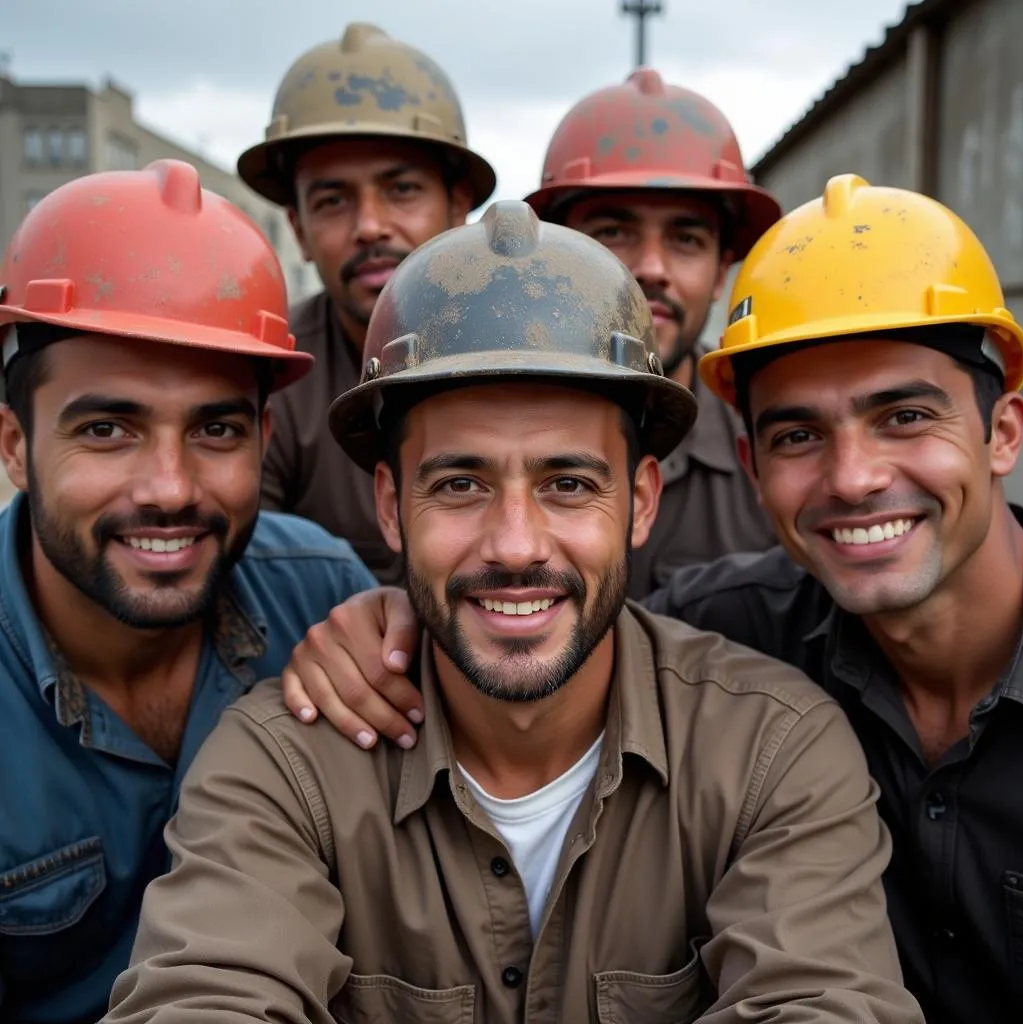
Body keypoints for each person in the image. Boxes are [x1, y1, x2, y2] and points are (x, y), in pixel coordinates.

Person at [106, 201, 922, 1023]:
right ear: (390, 508)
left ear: (641, 503)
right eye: (460, 484)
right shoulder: (285, 767)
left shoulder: (770, 751)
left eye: (568, 484)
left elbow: (823, 1003)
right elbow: (204, 994)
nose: (517, 544)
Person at [282, 175, 1023, 1024]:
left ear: (1003, 431)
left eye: (904, 418)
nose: (854, 477)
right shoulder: (733, 625)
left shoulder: (766, 726)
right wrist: (408, 614)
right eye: (798, 436)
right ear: (751, 467)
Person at [0, 160, 376, 1024]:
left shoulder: (325, 601)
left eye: (215, 429)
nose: (168, 487)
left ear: (266, 438)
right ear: (16, 445)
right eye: (107, 429)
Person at [242, 22, 497, 584]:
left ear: (459, 208)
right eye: (333, 200)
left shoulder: (532, 350)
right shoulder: (268, 376)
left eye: (401, 189)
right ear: (299, 231)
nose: (369, 226)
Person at [525, 69, 780, 596]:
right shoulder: (479, 417)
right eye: (614, 233)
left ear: (721, 272)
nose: (651, 268)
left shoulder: (776, 441)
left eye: (685, 238)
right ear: (551, 257)